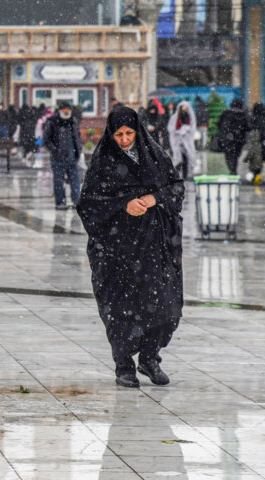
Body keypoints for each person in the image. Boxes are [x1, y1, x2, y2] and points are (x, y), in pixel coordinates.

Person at [77, 106, 184, 388]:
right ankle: (124, 364)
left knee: (164, 305)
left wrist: (153, 198)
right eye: (119, 134)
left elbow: (176, 188)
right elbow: (88, 203)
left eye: (129, 133)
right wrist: (122, 205)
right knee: (121, 306)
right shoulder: (104, 162)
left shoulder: (155, 156)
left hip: (154, 246)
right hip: (117, 248)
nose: (125, 140)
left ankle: (150, 358)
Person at [43, 101, 82, 209]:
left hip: (72, 157)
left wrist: (79, 149)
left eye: (68, 109)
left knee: (75, 182)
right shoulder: (52, 122)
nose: (66, 111)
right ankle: (60, 202)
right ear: (60, 110)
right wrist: (54, 150)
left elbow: (77, 137)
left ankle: (76, 201)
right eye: (64, 109)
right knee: (58, 182)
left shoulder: (73, 121)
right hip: (58, 159)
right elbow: (46, 139)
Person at [217, 98, 250, 175]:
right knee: (236, 155)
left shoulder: (226, 113)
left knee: (228, 154)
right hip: (239, 139)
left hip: (227, 138)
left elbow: (219, 124)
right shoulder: (242, 114)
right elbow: (247, 127)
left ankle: (231, 169)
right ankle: (233, 169)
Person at [167, 101, 197, 179]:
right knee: (178, 158)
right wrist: (178, 132)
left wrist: (186, 130)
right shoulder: (175, 117)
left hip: (187, 141)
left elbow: (192, 127)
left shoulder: (189, 116)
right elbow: (171, 128)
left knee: (187, 158)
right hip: (177, 141)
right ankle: (176, 175)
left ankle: (185, 175)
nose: (184, 108)